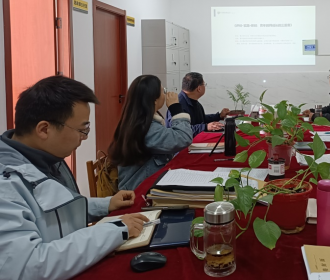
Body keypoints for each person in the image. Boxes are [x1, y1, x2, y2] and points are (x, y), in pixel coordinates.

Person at [0, 76, 149, 280]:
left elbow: (54, 211)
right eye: (82, 130)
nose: (84, 138)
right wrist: (114, 231)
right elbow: (26, 267)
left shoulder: (47, 157)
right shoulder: (6, 184)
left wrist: (105, 205)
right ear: (44, 129)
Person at [108, 75, 193, 191]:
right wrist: (175, 108)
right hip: (139, 191)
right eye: (163, 91)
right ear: (154, 99)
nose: (165, 95)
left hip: (146, 184)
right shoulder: (145, 128)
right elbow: (183, 138)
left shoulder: (137, 120)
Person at [173, 72, 230, 137]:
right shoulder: (178, 105)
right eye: (204, 84)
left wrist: (219, 116)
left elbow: (200, 119)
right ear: (199, 89)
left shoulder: (193, 101)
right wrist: (205, 127)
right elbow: (181, 131)